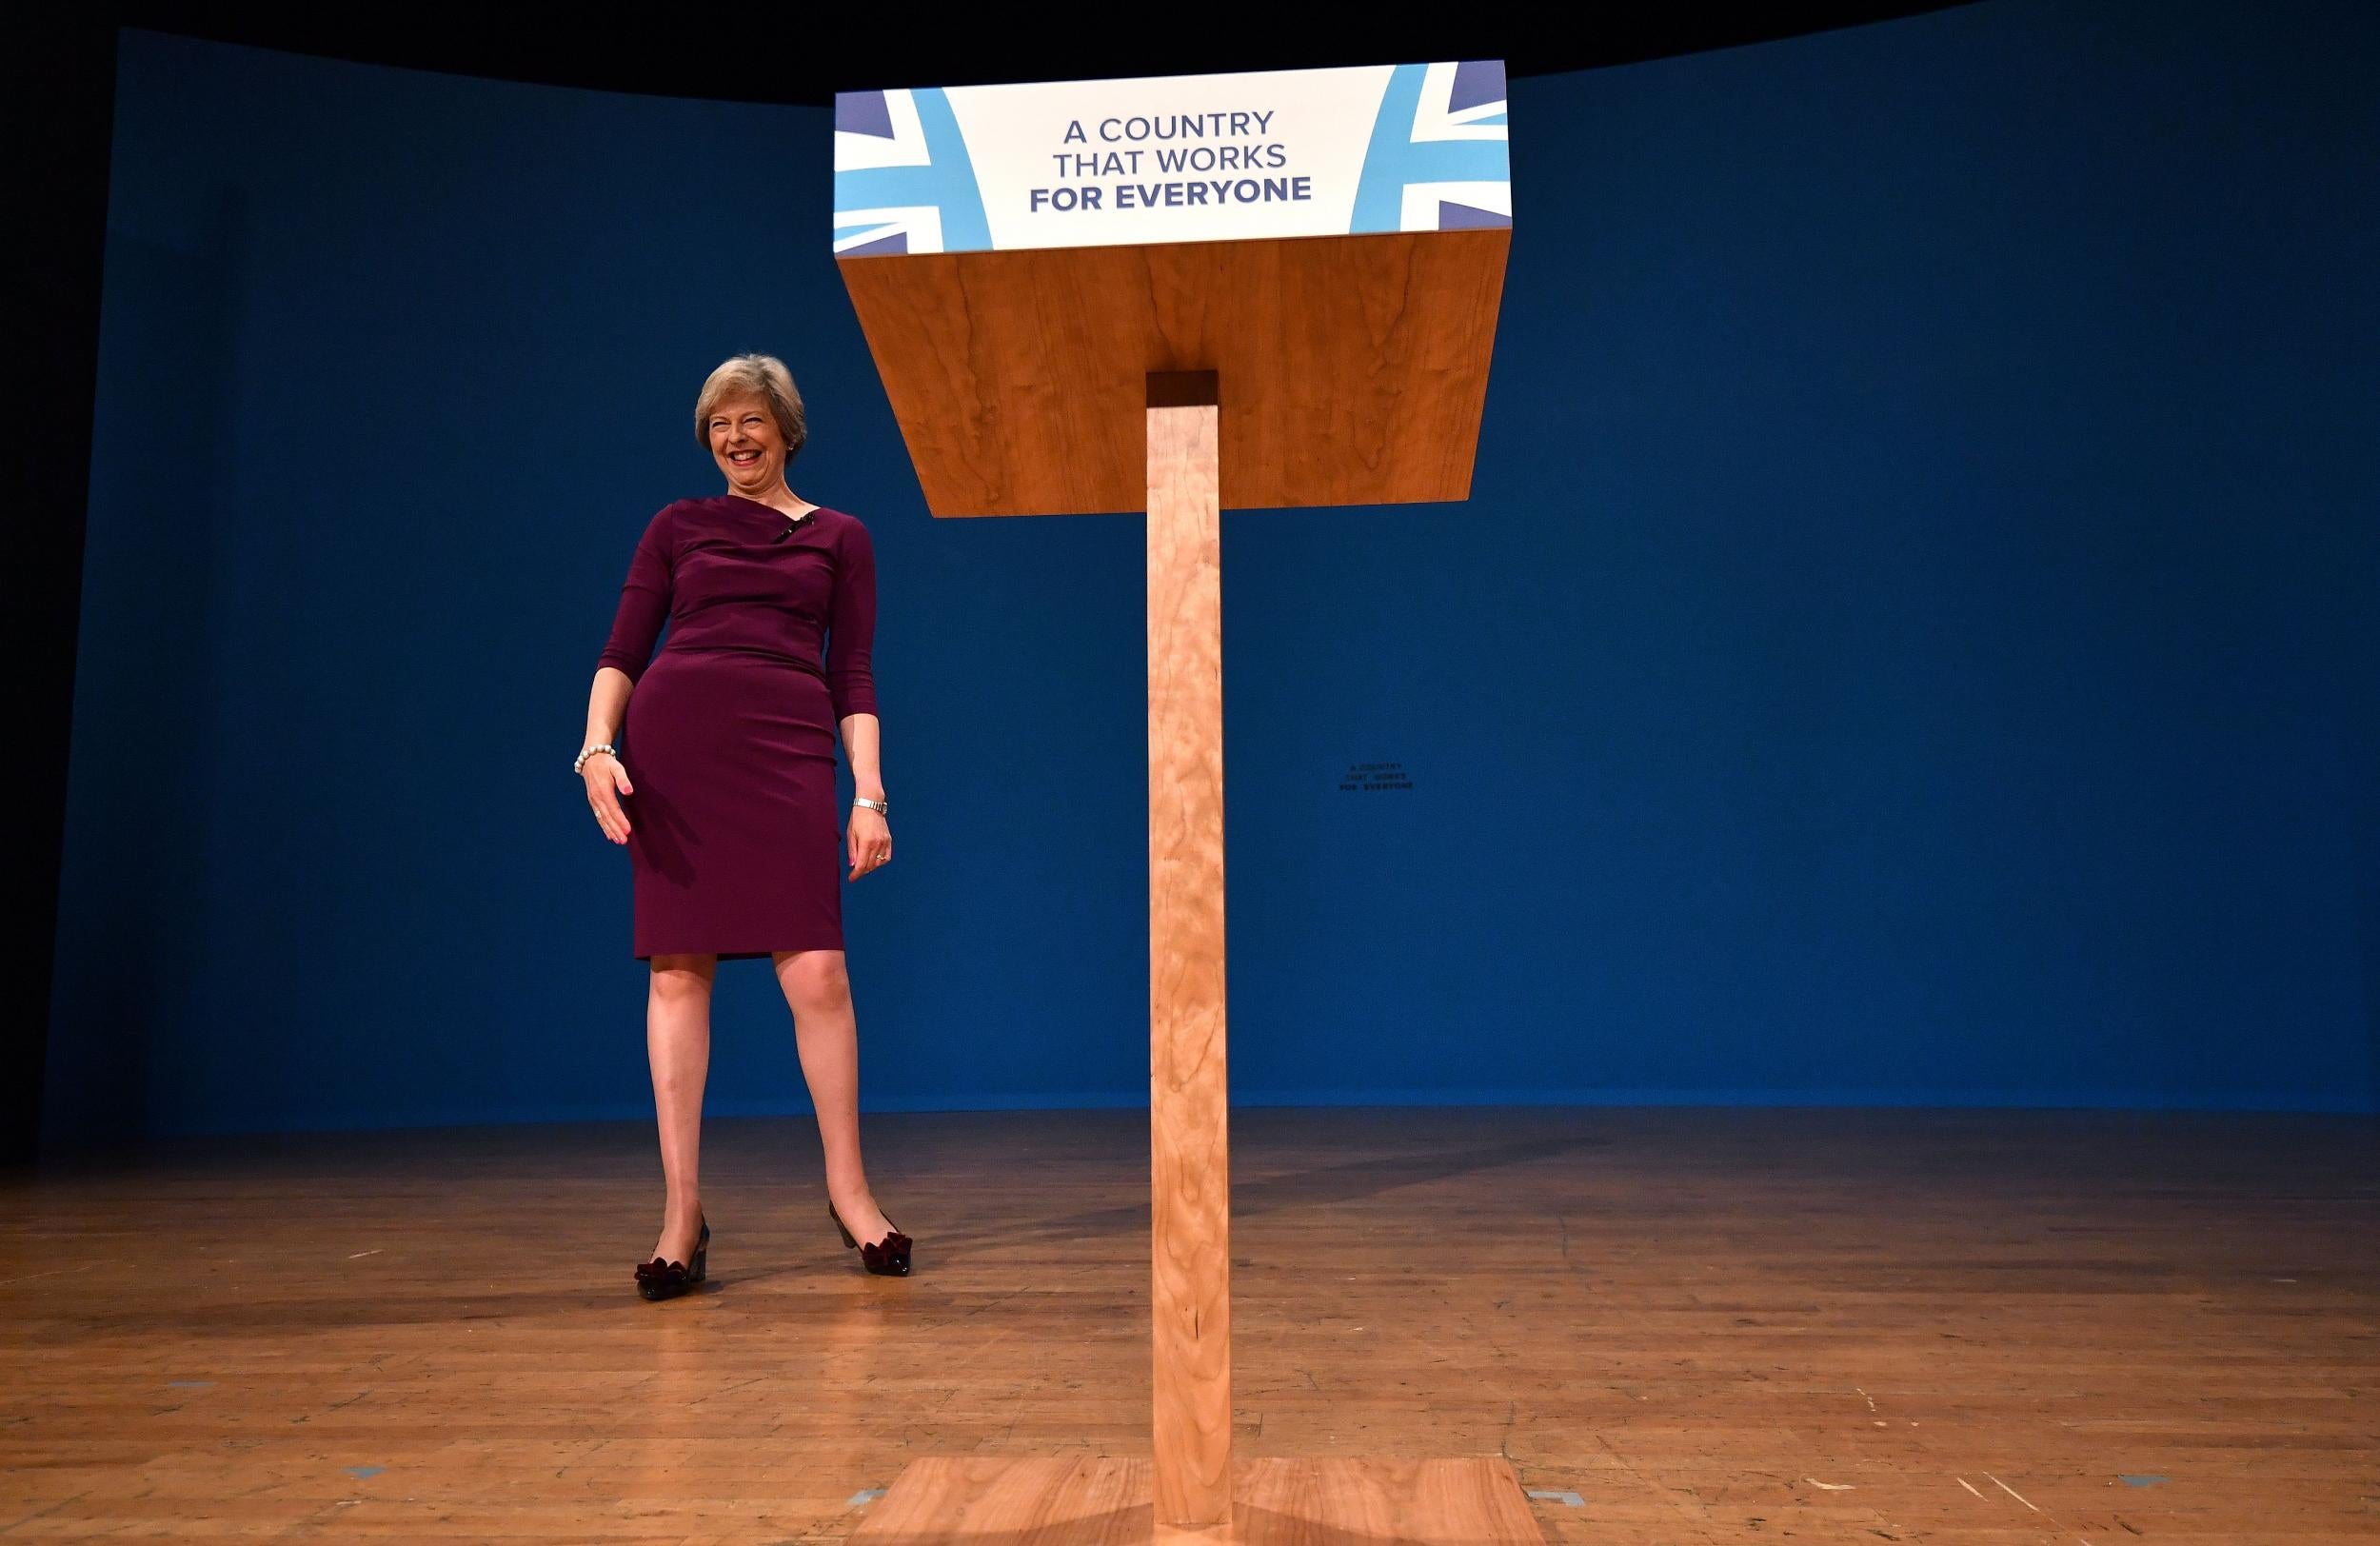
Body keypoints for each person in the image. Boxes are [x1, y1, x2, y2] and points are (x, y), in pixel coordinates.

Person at [577, 352, 913, 1300]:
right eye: (719, 423)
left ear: (786, 429)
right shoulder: (676, 527)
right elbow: (622, 648)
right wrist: (596, 745)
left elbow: (853, 673)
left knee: (818, 971)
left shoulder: (840, 536)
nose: (735, 438)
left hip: (785, 752)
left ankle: (850, 1195)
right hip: (677, 756)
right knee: (679, 973)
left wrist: (869, 792)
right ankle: (682, 1214)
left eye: (750, 421)